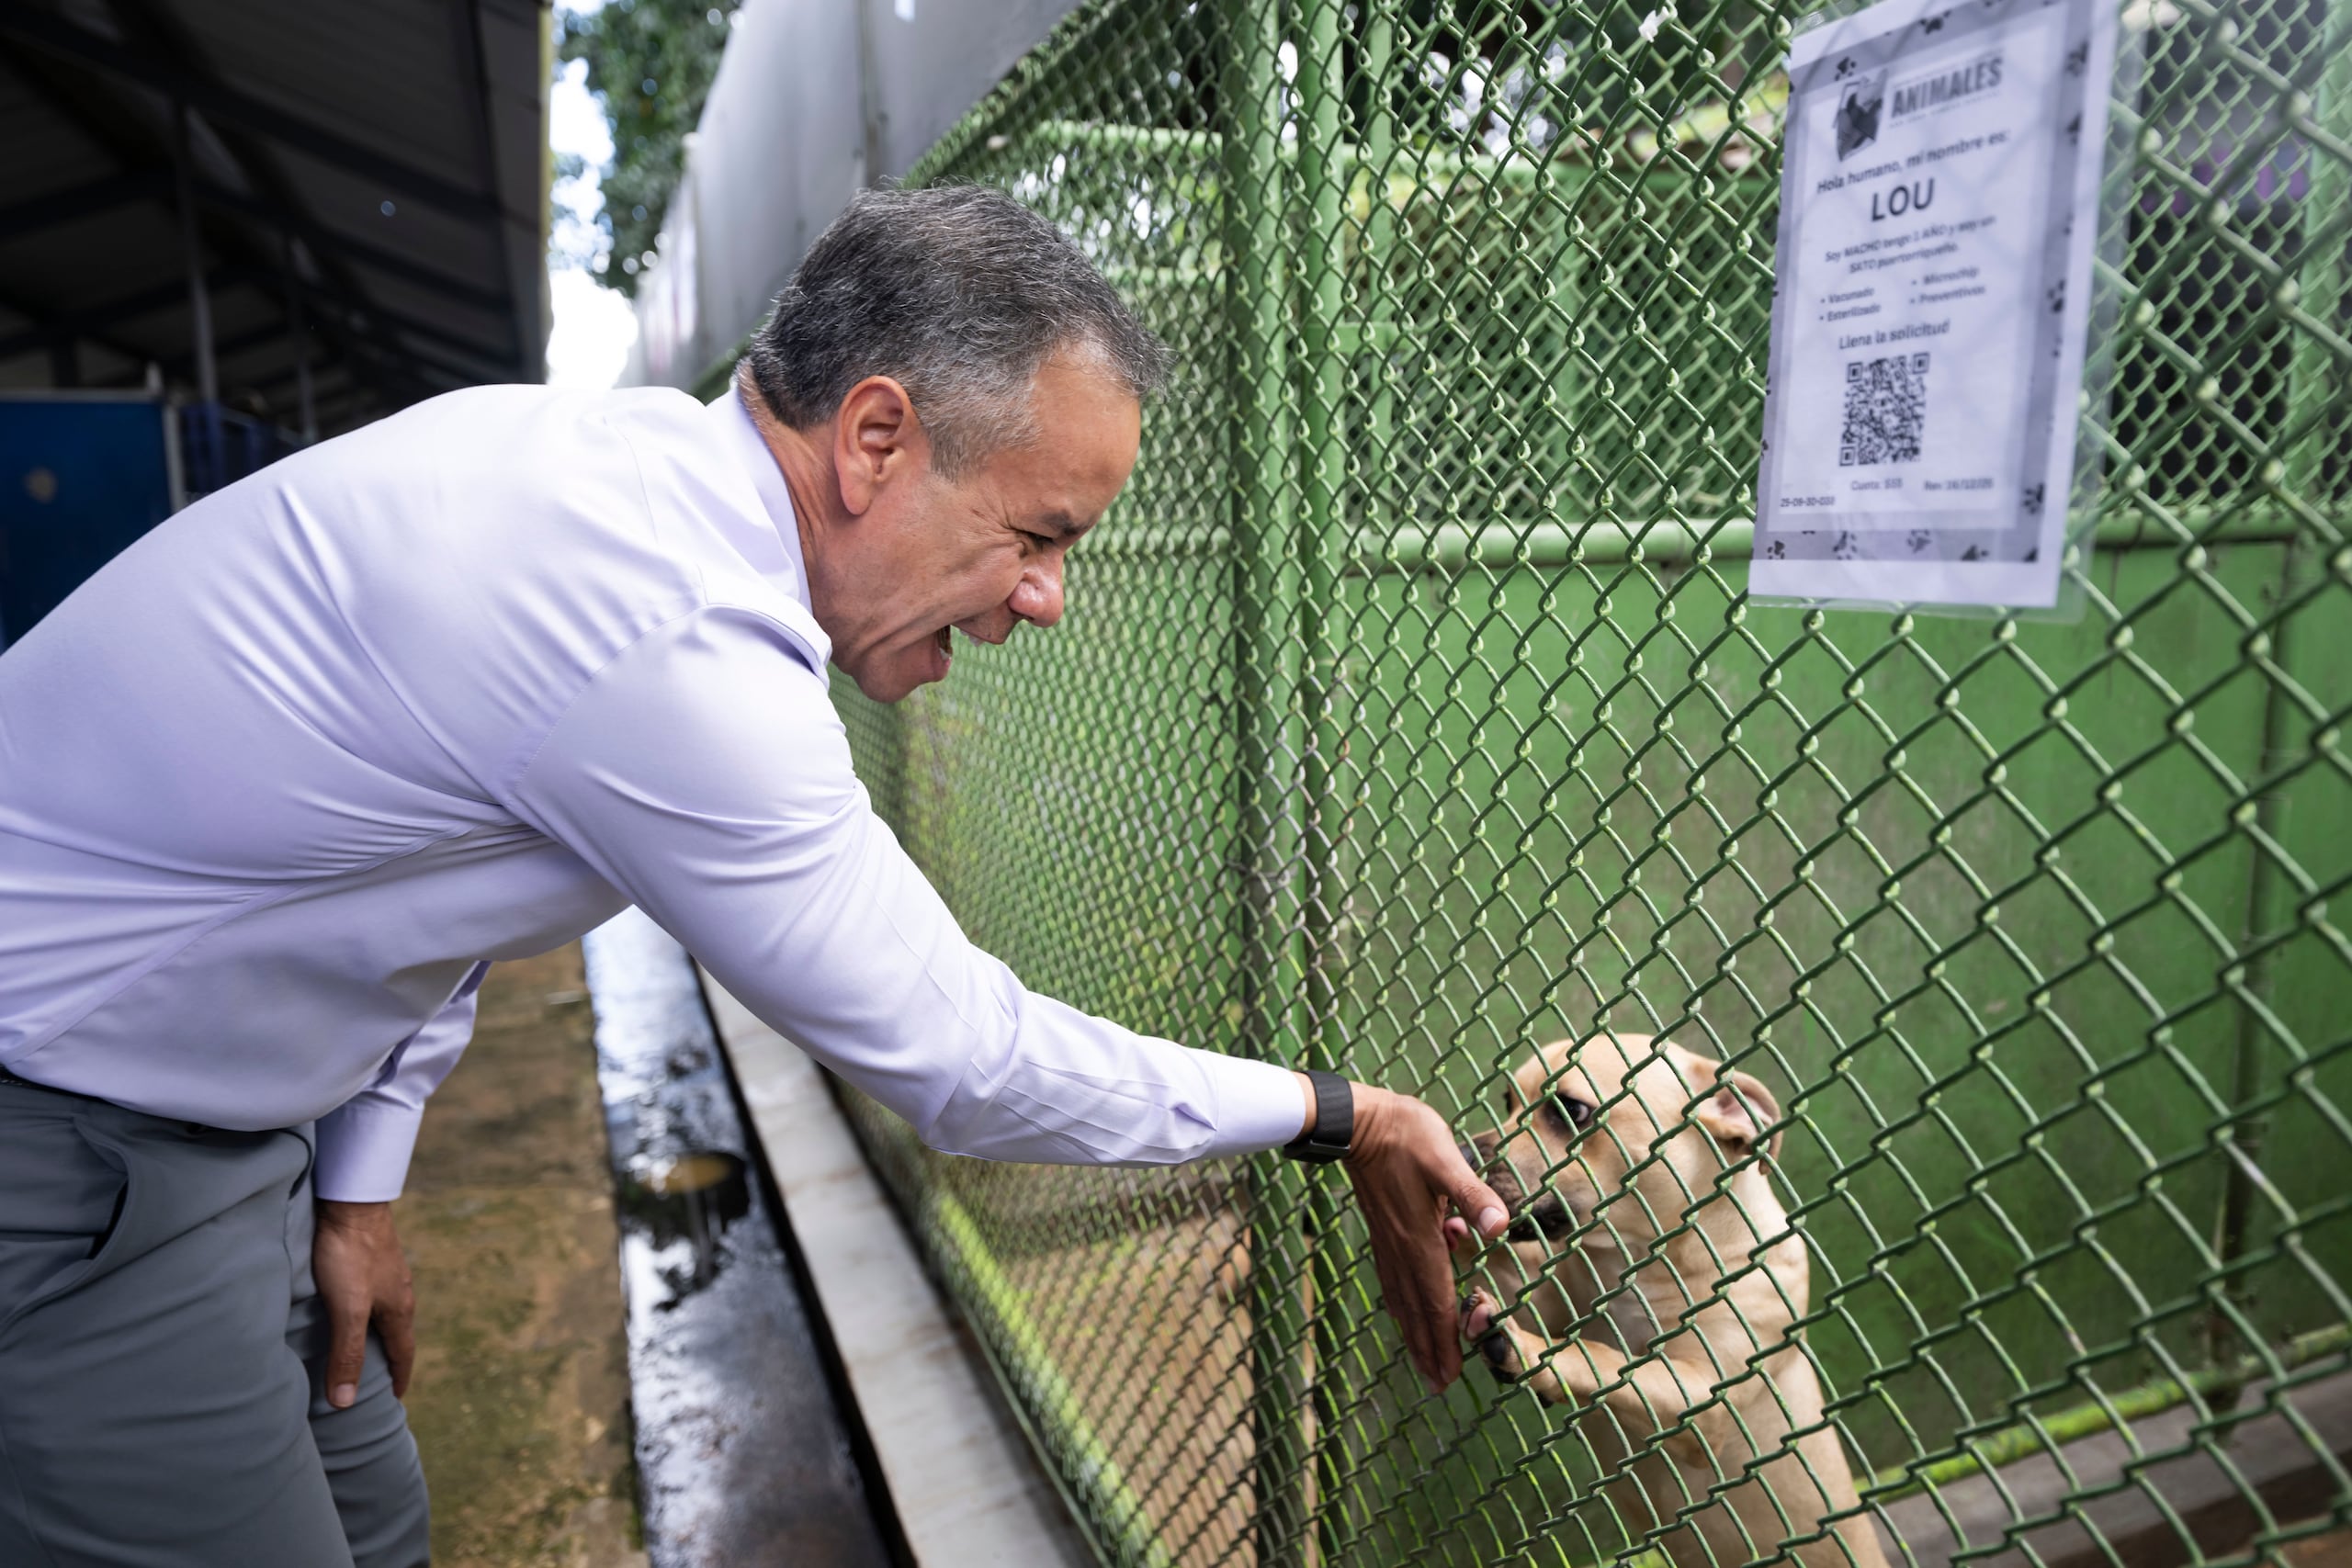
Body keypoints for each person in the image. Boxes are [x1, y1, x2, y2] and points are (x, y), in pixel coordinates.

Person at [0, 186, 1508, 1567]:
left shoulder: (617, 479)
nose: (1047, 601)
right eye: (1040, 536)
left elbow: (422, 870)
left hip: (200, 1115)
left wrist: (363, 1183)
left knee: (379, 1525)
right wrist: (1341, 1111)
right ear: (872, 440)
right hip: (57, 1138)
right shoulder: (668, 632)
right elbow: (967, 1061)